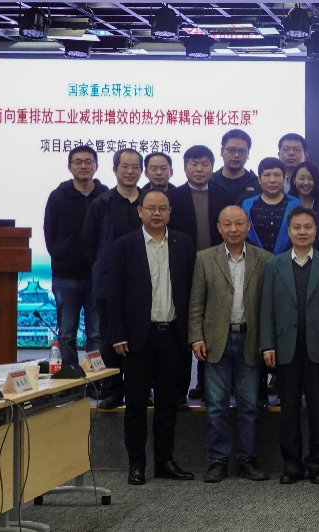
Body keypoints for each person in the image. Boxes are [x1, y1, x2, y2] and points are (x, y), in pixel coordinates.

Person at [106, 189, 196, 485]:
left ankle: (164, 462)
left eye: (162, 208)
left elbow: (192, 291)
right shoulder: (124, 246)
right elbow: (114, 294)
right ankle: (136, 464)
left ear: (170, 212)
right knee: (135, 405)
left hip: (173, 335)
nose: (157, 213)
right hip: (137, 339)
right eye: (151, 208)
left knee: (168, 404)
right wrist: (118, 334)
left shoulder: (184, 243)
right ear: (140, 211)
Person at [260, 206, 319, 485]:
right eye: (297, 227)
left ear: (316, 231)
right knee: (289, 410)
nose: (302, 232)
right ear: (288, 231)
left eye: (308, 227)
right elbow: (266, 308)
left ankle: (317, 464)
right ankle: (292, 465)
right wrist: (267, 345)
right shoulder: (274, 265)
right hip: (285, 348)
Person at [188, 206, 271, 483]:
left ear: (248, 226)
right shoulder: (204, 258)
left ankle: (247, 460)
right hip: (216, 342)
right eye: (227, 224)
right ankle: (218, 461)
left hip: (250, 340)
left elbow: (269, 305)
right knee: (216, 407)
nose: (233, 229)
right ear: (219, 227)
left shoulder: (265, 259)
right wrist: (197, 337)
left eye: (239, 223)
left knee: (250, 406)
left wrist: (266, 341)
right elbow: (196, 302)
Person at [169, 145, 235, 403]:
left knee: (213, 325)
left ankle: (208, 386)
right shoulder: (174, 197)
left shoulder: (223, 195)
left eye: (205, 164)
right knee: (185, 327)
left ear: (212, 167)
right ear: (185, 167)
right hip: (183, 270)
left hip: (216, 269)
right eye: (194, 164)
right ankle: (182, 387)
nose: (199, 169)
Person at [82, 148, 144, 409]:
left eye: (135, 167)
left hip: (143, 284)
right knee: (109, 339)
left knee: (140, 339)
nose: (130, 171)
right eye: (124, 166)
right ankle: (112, 391)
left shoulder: (149, 201)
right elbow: (89, 244)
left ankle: (140, 390)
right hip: (108, 283)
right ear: (115, 169)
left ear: (141, 171)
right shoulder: (102, 203)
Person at [45, 145, 108, 367]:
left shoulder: (105, 196)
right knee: (66, 333)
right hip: (66, 276)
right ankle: (68, 378)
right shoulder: (58, 196)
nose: (83, 166)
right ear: (69, 166)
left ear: (96, 166)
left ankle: (96, 378)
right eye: (78, 162)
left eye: (88, 161)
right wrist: (61, 256)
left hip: (98, 276)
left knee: (97, 333)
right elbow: (50, 233)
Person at [241, 157, 302, 254]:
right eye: (267, 175)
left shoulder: (295, 204)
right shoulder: (247, 205)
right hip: (254, 258)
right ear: (259, 179)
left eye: (277, 175)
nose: (272, 180)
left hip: (287, 259)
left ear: (284, 178)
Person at [212, 128, 259, 201]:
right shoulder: (210, 182)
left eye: (242, 151)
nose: (236, 155)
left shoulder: (257, 184)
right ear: (222, 151)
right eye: (231, 150)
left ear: (248, 154)